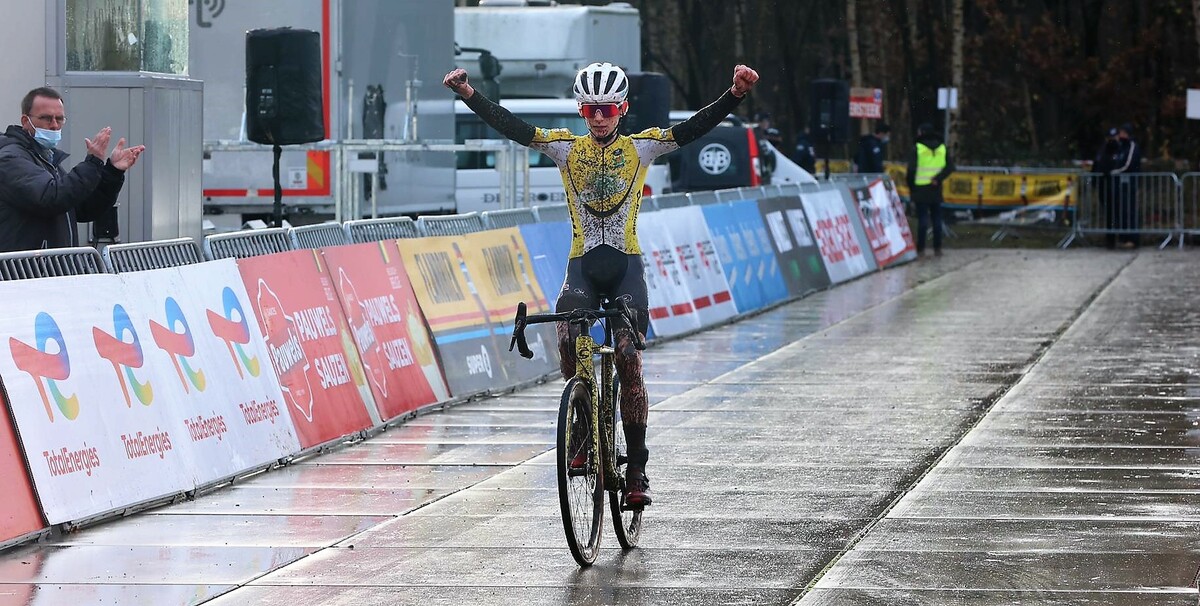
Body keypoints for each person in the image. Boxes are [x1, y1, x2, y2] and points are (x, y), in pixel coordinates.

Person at [444, 61, 759, 508]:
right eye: (590, 109)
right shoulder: (565, 149)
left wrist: (735, 95)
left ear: (623, 108)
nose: (598, 117)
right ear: (580, 110)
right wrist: (469, 94)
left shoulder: (642, 148)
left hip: (626, 269)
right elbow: (514, 128)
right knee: (570, 342)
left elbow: (691, 129)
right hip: (583, 268)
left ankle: (636, 467)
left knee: (628, 358)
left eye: (607, 108)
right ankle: (582, 433)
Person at [0, 87, 145, 252]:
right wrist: (92, 162)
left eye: (59, 119)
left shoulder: (45, 157)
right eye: (46, 118)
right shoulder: (10, 158)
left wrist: (112, 172)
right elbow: (52, 198)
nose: (54, 125)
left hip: (52, 270)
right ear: (26, 121)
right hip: (26, 273)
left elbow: (82, 209)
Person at [905, 122, 954, 257]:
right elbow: (950, 167)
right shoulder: (942, 148)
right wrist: (938, 178)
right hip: (935, 187)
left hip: (920, 188)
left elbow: (911, 170)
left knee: (922, 219)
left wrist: (911, 186)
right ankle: (937, 248)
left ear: (921, 132)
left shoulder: (918, 148)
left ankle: (921, 248)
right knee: (937, 218)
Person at [1111, 122, 1141, 249]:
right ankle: (1123, 238)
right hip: (1121, 185)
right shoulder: (1121, 148)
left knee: (1130, 211)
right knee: (1122, 211)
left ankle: (1132, 239)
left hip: (1130, 184)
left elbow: (1128, 165)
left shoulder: (1132, 146)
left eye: (1123, 132)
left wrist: (1114, 172)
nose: (1120, 135)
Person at [1093, 127, 1121, 249]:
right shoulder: (1102, 149)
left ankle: (1116, 238)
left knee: (1115, 213)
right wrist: (1095, 181)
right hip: (1104, 186)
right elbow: (1097, 166)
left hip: (1115, 186)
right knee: (1109, 214)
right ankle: (1110, 239)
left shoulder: (1119, 149)